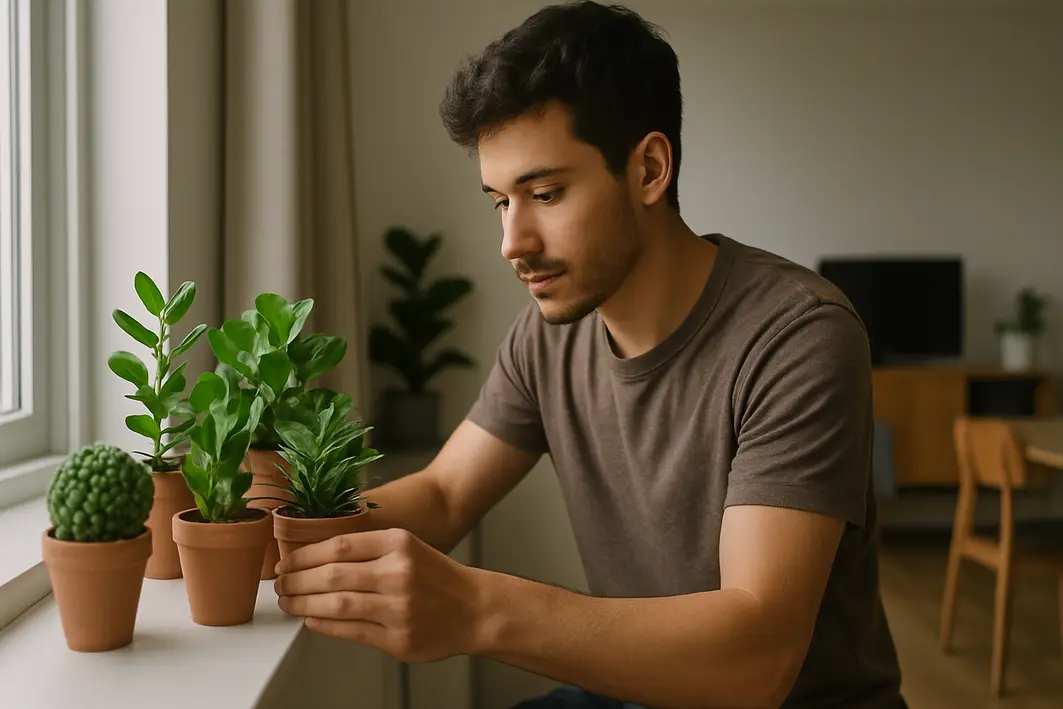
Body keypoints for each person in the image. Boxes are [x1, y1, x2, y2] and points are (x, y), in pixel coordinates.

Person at [271, 2, 907, 707]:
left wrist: (477, 608)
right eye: (499, 203)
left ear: (648, 169)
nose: (513, 241)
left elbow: (756, 657)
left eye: (544, 193)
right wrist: (280, 522)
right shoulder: (548, 335)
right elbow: (445, 492)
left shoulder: (796, 335)